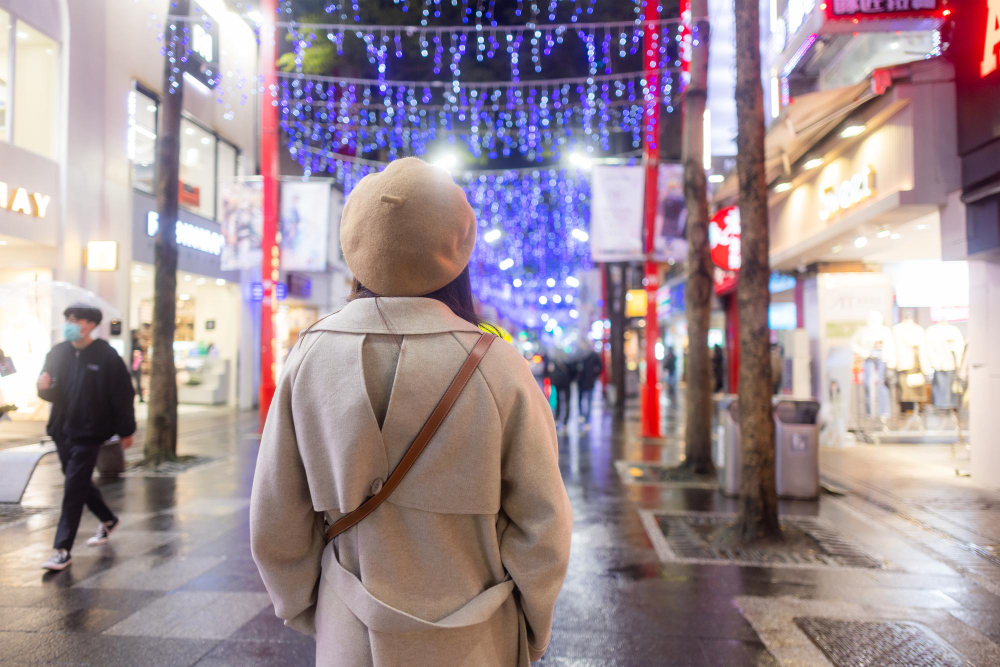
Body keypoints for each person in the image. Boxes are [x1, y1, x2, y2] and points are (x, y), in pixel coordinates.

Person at [250, 158, 572, 666]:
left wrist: (315, 607)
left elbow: (276, 519)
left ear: (356, 246)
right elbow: (543, 525)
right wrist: (529, 625)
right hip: (475, 635)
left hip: (349, 631)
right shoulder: (499, 366)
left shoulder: (309, 357)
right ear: (457, 249)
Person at [36, 304, 136, 571]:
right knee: (77, 480)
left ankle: (62, 549)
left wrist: (127, 430)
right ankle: (108, 519)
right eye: (67, 318)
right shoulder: (57, 353)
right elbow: (51, 392)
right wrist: (42, 389)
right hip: (61, 429)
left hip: (90, 432)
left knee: (73, 488)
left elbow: (123, 395)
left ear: (91, 324)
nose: (70, 323)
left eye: (76, 319)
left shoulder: (106, 355)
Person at [575, 348, 603, 425]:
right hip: (583, 381)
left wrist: (594, 375)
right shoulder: (580, 354)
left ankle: (585, 417)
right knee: (584, 400)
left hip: (587, 381)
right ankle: (583, 416)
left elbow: (600, 367)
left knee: (587, 400)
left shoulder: (584, 354)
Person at [547, 354, 574, 428]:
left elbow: (549, 371)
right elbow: (573, 371)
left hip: (557, 383)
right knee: (566, 401)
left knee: (558, 401)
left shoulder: (553, 359)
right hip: (566, 383)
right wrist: (570, 380)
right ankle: (565, 420)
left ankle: (557, 418)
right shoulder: (569, 359)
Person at [130, 330, 145, 403]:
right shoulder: (131, 343)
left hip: (136, 365)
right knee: (134, 382)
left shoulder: (135, 343)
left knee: (138, 382)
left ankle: (140, 397)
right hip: (133, 365)